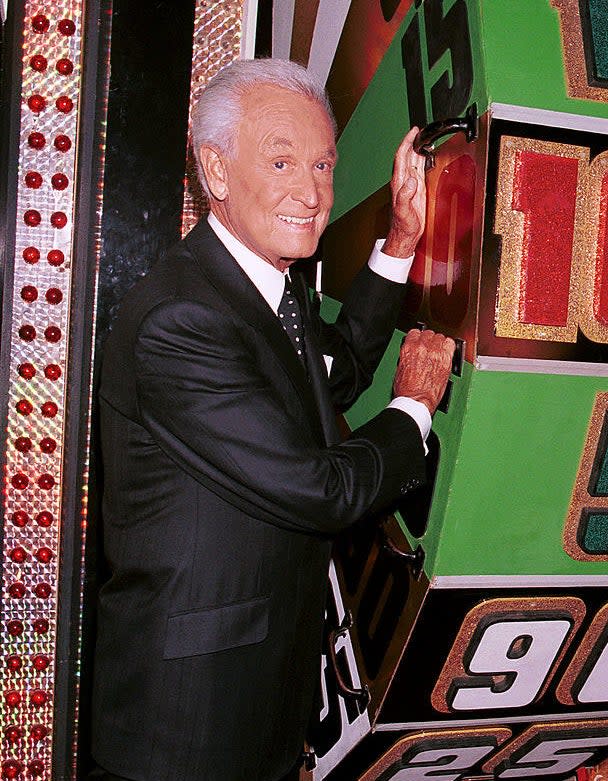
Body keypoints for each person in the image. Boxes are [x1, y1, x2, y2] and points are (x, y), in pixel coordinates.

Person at [90, 58, 454, 781]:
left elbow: (336, 369)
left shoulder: (264, 291)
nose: (312, 191)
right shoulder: (182, 318)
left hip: (260, 712)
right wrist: (413, 405)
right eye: (282, 160)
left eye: (322, 164)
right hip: (185, 733)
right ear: (215, 171)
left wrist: (402, 244)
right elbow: (321, 489)